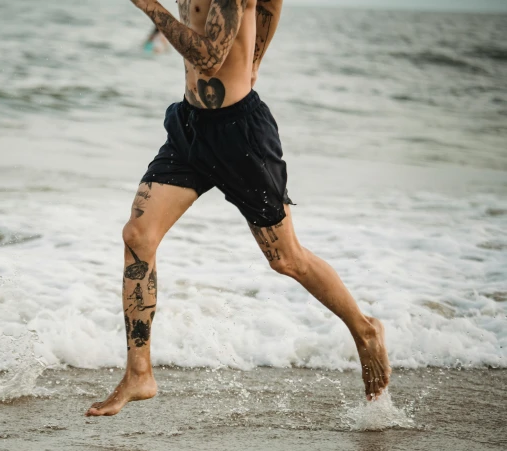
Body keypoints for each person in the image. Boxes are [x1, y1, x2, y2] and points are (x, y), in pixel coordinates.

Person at [87, 0, 390, 416]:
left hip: (241, 138)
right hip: (190, 128)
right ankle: (139, 374)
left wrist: (148, 7)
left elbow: (210, 57)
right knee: (137, 236)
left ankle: (365, 330)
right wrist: (255, 58)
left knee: (287, 259)